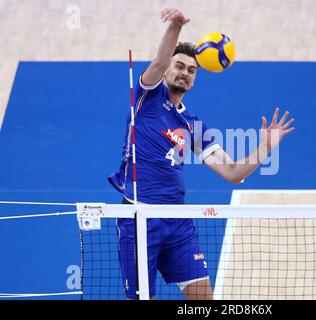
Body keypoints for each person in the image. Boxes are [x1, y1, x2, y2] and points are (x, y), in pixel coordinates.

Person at [108, 8, 295, 300]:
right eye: (179, 66)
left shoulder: (194, 124)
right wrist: (176, 27)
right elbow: (158, 61)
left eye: (191, 70)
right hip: (139, 217)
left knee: (203, 301)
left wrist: (266, 146)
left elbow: (232, 172)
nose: (184, 73)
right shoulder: (146, 99)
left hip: (178, 222)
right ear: (168, 69)